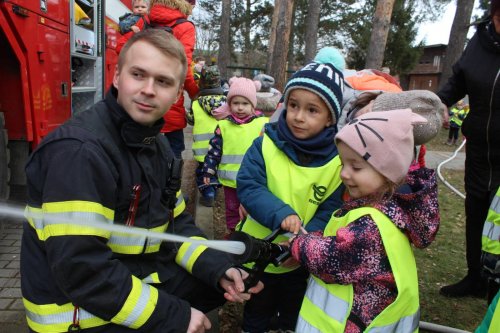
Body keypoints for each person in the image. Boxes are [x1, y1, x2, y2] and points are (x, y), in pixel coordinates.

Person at [20, 30, 262, 333]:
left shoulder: (156, 144)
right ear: (117, 77)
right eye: (138, 75)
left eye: (163, 81)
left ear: (177, 96)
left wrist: (219, 267)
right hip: (74, 311)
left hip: (126, 272)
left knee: (215, 283)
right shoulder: (79, 153)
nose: (149, 89)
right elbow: (82, 270)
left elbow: (176, 225)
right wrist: (172, 316)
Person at [287, 109, 440, 332]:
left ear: (388, 172)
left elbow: (333, 259)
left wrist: (297, 244)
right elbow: (344, 243)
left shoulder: (370, 226)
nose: (344, 174)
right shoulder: (393, 206)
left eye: (356, 167)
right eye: (343, 164)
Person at [236, 49, 346, 332]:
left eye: (312, 110)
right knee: (257, 308)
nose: (298, 116)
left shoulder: (338, 163)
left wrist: (302, 247)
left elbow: (331, 210)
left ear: (330, 118)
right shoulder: (265, 144)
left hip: (298, 262)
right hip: (258, 255)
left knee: (293, 311)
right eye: (293, 105)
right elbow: (249, 186)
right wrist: (281, 213)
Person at [437, 0, 500, 298]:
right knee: (475, 211)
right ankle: (475, 277)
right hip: (478, 150)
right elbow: (457, 82)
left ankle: (495, 284)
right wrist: (433, 106)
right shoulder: (481, 40)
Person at [117, 0, 199, 159]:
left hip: (137, 104)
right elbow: (184, 67)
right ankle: (171, 184)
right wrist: (196, 93)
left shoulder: (145, 20)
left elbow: (121, 48)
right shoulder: (185, 26)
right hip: (168, 108)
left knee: (135, 155)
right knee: (172, 156)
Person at [202, 77, 268, 236]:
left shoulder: (263, 125)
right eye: (235, 103)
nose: (239, 108)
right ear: (229, 104)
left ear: (253, 105)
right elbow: (214, 150)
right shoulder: (223, 126)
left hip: (255, 180)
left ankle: (249, 235)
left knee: (253, 208)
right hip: (231, 181)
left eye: (245, 104)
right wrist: (208, 170)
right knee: (232, 209)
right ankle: (233, 232)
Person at [190, 64, 226, 207]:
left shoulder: (196, 103)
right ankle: (214, 191)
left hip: (202, 149)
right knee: (215, 171)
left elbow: (191, 119)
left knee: (202, 172)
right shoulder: (226, 102)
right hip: (219, 147)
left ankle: (208, 193)